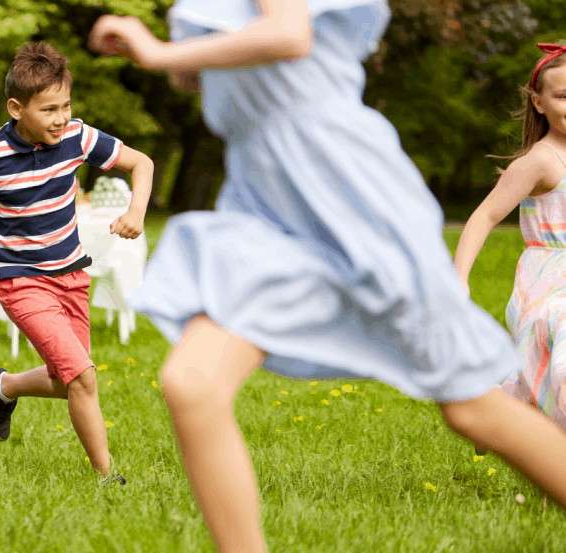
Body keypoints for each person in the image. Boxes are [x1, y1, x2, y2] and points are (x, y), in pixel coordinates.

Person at [89, 3, 566, 551]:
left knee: (472, 408)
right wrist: (179, 58)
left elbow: (290, 35)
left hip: (344, 192)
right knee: (192, 384)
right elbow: (214, 76)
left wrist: (156, 52)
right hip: (266, 203)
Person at [0, 41, 154, 482]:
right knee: (83, 378)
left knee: (66, 378)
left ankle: (3, 386)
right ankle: (108, 478)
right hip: (18, 279)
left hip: (71, 273)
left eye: (66, 105)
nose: (61, 118)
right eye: (49, 109)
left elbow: (141, 162)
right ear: (16, 108)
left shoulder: (77, 136)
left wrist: (136, 212)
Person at [455, 43, 566, 503]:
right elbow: (482, 216)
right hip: (550, 283)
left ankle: (508, 415)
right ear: (539, 103)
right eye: (563, 96)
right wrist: (457, 281)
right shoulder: (540, 161)